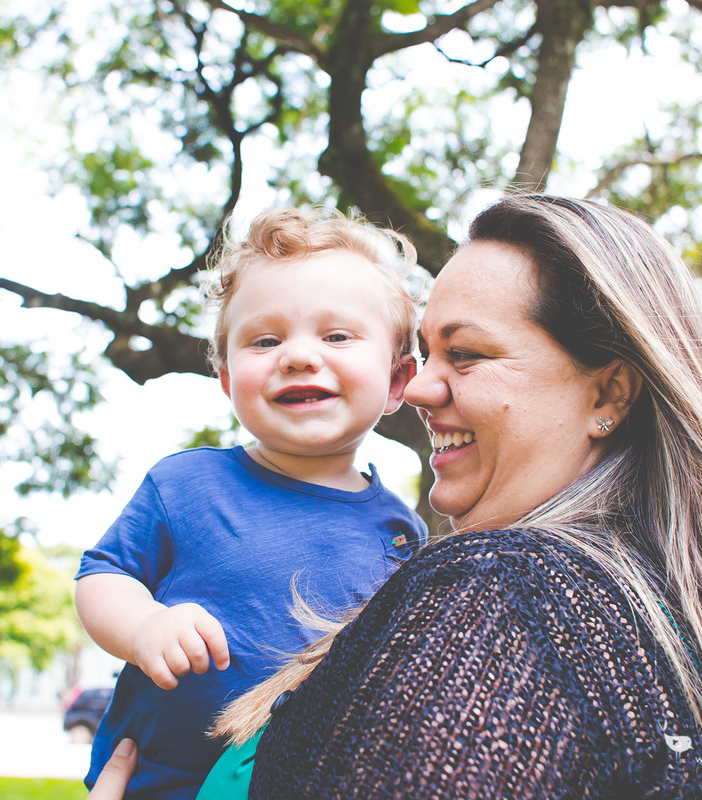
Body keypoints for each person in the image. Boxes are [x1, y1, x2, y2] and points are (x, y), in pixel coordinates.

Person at [184, 194, 702, 799]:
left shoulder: (507, 592)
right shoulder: (653, 617)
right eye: (425, 353)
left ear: (608, 395)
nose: (415, 390)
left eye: (464, 354)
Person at [74, 207, 428, 799]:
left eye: (337, 335)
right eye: (265, 340)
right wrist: (143, 624)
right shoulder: (186, 485)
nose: (297, 355)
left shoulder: (403, 533)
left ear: (396, 380)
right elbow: (101, 574)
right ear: (227, 378)